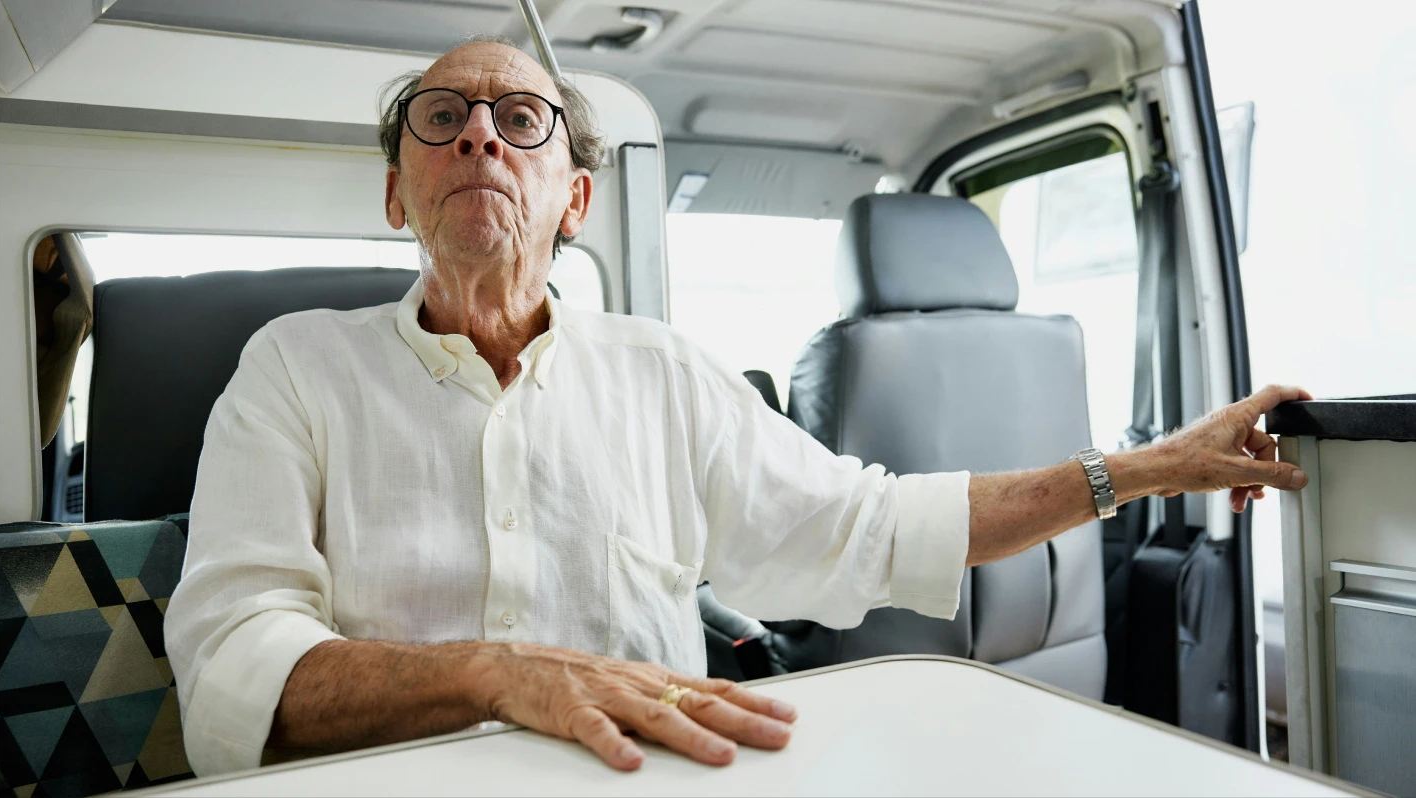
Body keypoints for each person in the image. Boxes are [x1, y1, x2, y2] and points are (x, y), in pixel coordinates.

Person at [164, 34, 1312, 777]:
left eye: (521, 120)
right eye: (441, 115)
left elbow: (872, 530)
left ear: (574, 200)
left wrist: (1148, 468)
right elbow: (230, 659)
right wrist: (495, 673)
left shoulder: (661, 373)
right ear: (392, 191)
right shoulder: (295, 369)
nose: (477, 132)